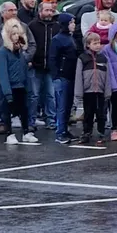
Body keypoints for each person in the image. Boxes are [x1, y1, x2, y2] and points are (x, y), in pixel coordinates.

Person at [0, 2, 37, 134]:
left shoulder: (23, 26)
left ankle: (27, 124)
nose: (14, 12)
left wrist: (25, 57)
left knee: (26, 97)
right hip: (2, 68)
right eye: (10, 10)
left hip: (20, 68)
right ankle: (4, 124)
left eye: (15, 10)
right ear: (3, 12)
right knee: (3, 98)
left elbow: (31, 44)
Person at [0, 19, 37, 145]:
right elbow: (3, 73)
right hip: (9, 87)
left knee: (24, 110)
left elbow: (24, 70)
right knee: (7, 111)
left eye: (17, 34)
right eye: (13, 34)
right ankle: (9, 134)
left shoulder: (20, 52)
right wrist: (7, 92)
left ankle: (26, 132)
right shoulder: (2, 52)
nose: (16, 37)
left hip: (21, 86)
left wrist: (27, 86)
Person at [27, 1, 60, 130]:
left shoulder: (56, 27)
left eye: (51, 10)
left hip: (51, 67)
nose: (49, 13)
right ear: (40, 11)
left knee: (50, 95)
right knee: (34, 95)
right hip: (35, 65)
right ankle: (31, 120)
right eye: (46, 10)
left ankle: (50, 119)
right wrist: (29, 59)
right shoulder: (32, 26)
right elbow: (28, 44)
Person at [49, 13, 79, 144]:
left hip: (71, 75)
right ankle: (60, 132)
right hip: (62, 76)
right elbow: (52, 58)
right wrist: (56, 75)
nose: (73, 25)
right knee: (62, 105)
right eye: (71, 22)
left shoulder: (70, 38)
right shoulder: (58, 39)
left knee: (68, 105)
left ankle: (65, 129)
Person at [75, 32, 110, 145]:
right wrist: (79, 92)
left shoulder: (103, 58)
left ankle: (101, 132)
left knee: (101, 114)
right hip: (88, 91)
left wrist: (107, 91)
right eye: (95, 43)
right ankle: (86, 133)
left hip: (100, 91)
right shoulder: (82, 58)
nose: (98, 45)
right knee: (88, 114)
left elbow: (108, 76)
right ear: (88, 44)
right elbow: (78, 76)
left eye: (99, 43)